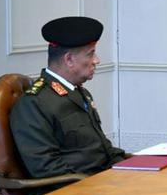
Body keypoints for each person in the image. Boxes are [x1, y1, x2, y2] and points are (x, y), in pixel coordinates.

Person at [10, 16, 127, 181]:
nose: (97, 60)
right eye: (91, 54)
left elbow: (102, 149)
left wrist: (133, 165)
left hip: (101, 182)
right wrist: (98, 185)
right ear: (69, 60)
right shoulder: (34, 104)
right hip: (73, 191)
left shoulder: (80, 93)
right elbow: (47, 169)